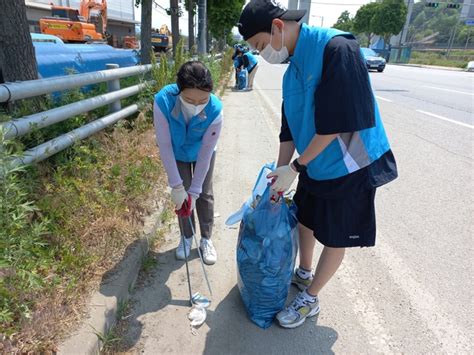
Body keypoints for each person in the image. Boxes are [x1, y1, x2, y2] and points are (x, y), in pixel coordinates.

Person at [238, 0, 398, 329]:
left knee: (336, 234)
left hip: (351, 164)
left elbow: (337, 122)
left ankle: (310, 298)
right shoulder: (292, 69)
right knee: (305, 219)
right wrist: (279, 174)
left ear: (278, 28)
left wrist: (295, 169)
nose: (263, 53)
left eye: (260, 45)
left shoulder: (337, 49)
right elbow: (289, 129)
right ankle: (304, 272)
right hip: (313, 161)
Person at [154, 61, 223, 265]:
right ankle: (186, 236)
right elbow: (165, 145)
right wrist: (177, 186)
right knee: (181, 197)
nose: (195, 105)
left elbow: (205, 154)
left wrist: (194, 191)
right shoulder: (163, 102)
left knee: (203, 193)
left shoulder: (215, 110)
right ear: (179, 90)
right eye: (188, 99)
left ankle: (206, 239)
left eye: (202, 100)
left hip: (202, 151)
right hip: (177, 150)